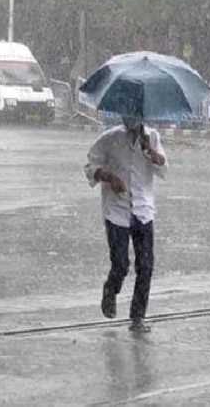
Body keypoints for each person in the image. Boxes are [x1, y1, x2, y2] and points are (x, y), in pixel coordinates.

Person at [84, 115, 167, 332]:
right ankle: (110, 289)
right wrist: (109, 176)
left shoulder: (153, 137)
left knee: (146, 265)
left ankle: (137, 317)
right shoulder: (109, 138)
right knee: (121, 263)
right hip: (116, 211)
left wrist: (152, 153)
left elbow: (163, 168)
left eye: (137, 113)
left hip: (143, 210)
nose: (133, 118)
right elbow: (90, 166)